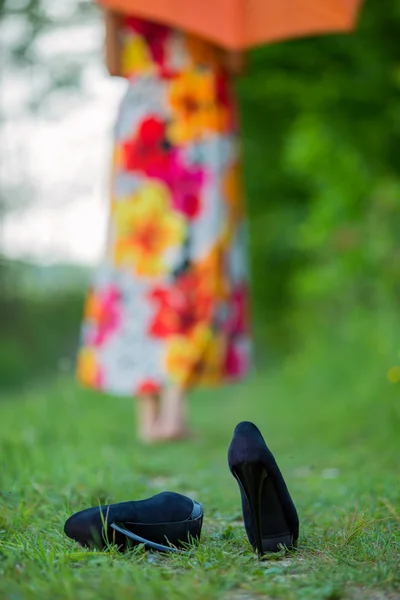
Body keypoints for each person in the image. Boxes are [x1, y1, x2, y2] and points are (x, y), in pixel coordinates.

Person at [76, 8, 251, 442]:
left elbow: (116, 66)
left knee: (155, 260)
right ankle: (162, 412)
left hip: (164, 119)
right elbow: (236, 64)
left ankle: (163, 413)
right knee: (169, 257)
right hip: (192, 117)